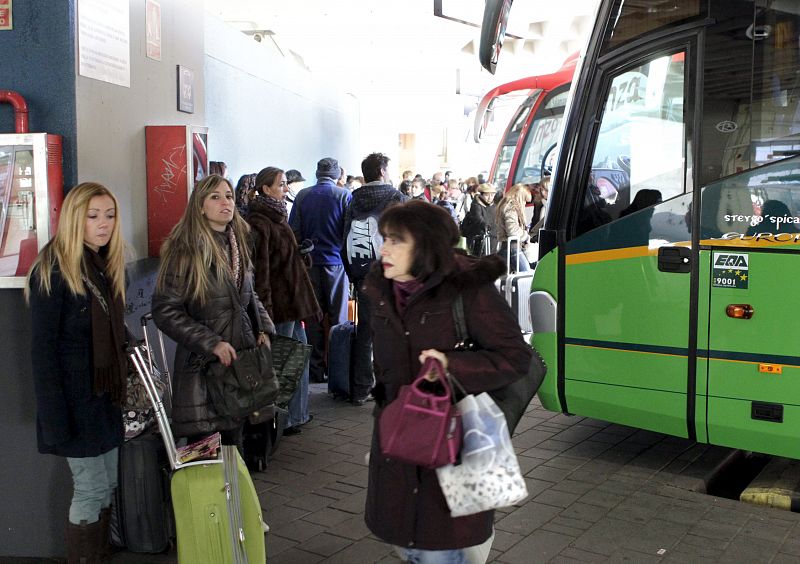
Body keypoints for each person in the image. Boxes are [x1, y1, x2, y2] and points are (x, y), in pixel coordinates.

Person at [361, 200, 532, 562]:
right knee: (408, 546)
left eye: (396, 240)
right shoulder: (382, 290)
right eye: (384, 238)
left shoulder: (466, 288)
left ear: (425, 246)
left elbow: (515, 356)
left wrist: (451, 365)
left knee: (436, 549)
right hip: (399, 443)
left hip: (452, 443)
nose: (384, 249)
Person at [26, 182, 127, 562]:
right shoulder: (54, 270)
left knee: (107, 484)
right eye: (93, 216)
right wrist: (55, 419)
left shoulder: (100, 264)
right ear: (73, 219)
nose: (104, 224)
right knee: (90, 489)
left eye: (110, 215)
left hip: (103, 398)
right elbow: (43, 353)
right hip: (73, 403)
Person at [152, 174, 274, 451]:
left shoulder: (238, 242)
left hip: (238, 363)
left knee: (234, 449)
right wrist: (211, 343)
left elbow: (249, 295)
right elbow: (165, 310)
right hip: (202, 369)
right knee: (205, 453)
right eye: (215, 197)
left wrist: (263, 329)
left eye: (229, 196)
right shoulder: (185, 249)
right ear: (200, 206)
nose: (225, 203)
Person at [247, 167, 319, 433]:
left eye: (286, 183)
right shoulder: (261, 222)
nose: (286, 188)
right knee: (285, 361)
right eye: (281, 184)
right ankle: (281, 420)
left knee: (298, 357)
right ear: (266, 189)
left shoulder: (278, 217)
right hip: (279, 305)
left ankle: (296, 415)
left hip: (291, 301)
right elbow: (262, 273)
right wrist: (265, 314)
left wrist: (300, 254)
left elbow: (283, 260)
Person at [342, 152, 407, 405]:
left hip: (362, 274)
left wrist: (354, 275)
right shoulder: (395, 197)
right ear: (381, 171)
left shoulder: (353, 199)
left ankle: (361, 389)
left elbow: (344, 239)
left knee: (366, 332)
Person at [289, 157, 352, 383]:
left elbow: (294, 230)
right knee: (338, 321)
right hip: (336, 263)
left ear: (317, 173)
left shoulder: (302, 195)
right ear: (336, 175)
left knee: (313, 319)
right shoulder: (344, 196)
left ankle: (315, 370)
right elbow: (348, 232)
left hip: (310, 264)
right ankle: (337, 372)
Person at [496, 183, 532, 272]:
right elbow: (512, 231)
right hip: (512, 247)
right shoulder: (511, 208)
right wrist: (525, 236)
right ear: (520, 197)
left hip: (507, 246)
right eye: (524, 200)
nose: (524, 203)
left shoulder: (505, 205)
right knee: (526, 274)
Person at [461, 182, 498, 257]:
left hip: (493, 236)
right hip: (480, 237)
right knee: (480, 257)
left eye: (492, 195)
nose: (490, 198)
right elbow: (478, 219)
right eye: (487, 195)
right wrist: (486, 225)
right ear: (481, 194)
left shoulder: (494, 206)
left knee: (492, 256)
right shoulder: (476, 205)